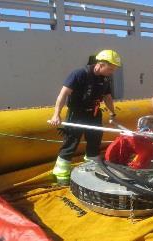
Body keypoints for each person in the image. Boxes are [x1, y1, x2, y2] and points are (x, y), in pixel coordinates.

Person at [49, 49, 121, 185]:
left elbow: (107, 97)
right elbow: (63, 94)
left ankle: (92, 165)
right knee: (71, 142)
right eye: (110, 69)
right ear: (100, 64)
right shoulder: (79, 74)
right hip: (76, 113)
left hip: (93, 113)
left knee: (95, 140)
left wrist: (112, 113)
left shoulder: (105, 79)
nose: (112, 72)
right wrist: (56, 114)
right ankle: (61, 172)